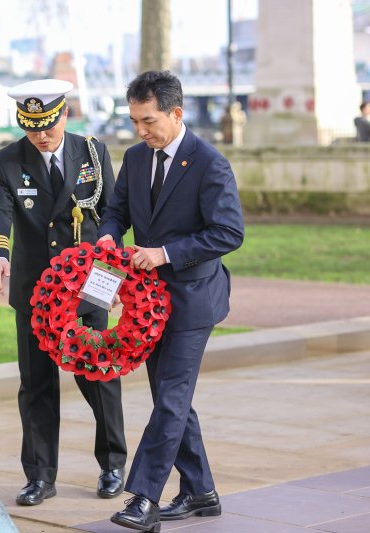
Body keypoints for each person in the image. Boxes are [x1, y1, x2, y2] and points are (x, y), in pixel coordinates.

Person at [98, 70, 244, 532]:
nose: (141, 131)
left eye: (148, 121)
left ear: (175, 114)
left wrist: (163, 253)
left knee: (171, 399)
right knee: (171, 398)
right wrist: (106, 238)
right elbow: (116, 210)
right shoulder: (136, 158)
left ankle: (144, 498)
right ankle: (200, 490)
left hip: (194, 299)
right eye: (135, 121)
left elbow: (229, 232)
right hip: (148, 300)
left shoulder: (210, 163)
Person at [0, 79, 127, 506]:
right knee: (36, 383)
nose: (41, 136)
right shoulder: (6, 161)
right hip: (34, 290)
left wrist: (113, 276)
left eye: (47, 125)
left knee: (97, 373)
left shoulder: (93, 153)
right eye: (31, 127)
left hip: (89, 286)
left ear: (65, 114)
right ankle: (40, 476)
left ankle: (113, 463)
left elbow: (111, 215)